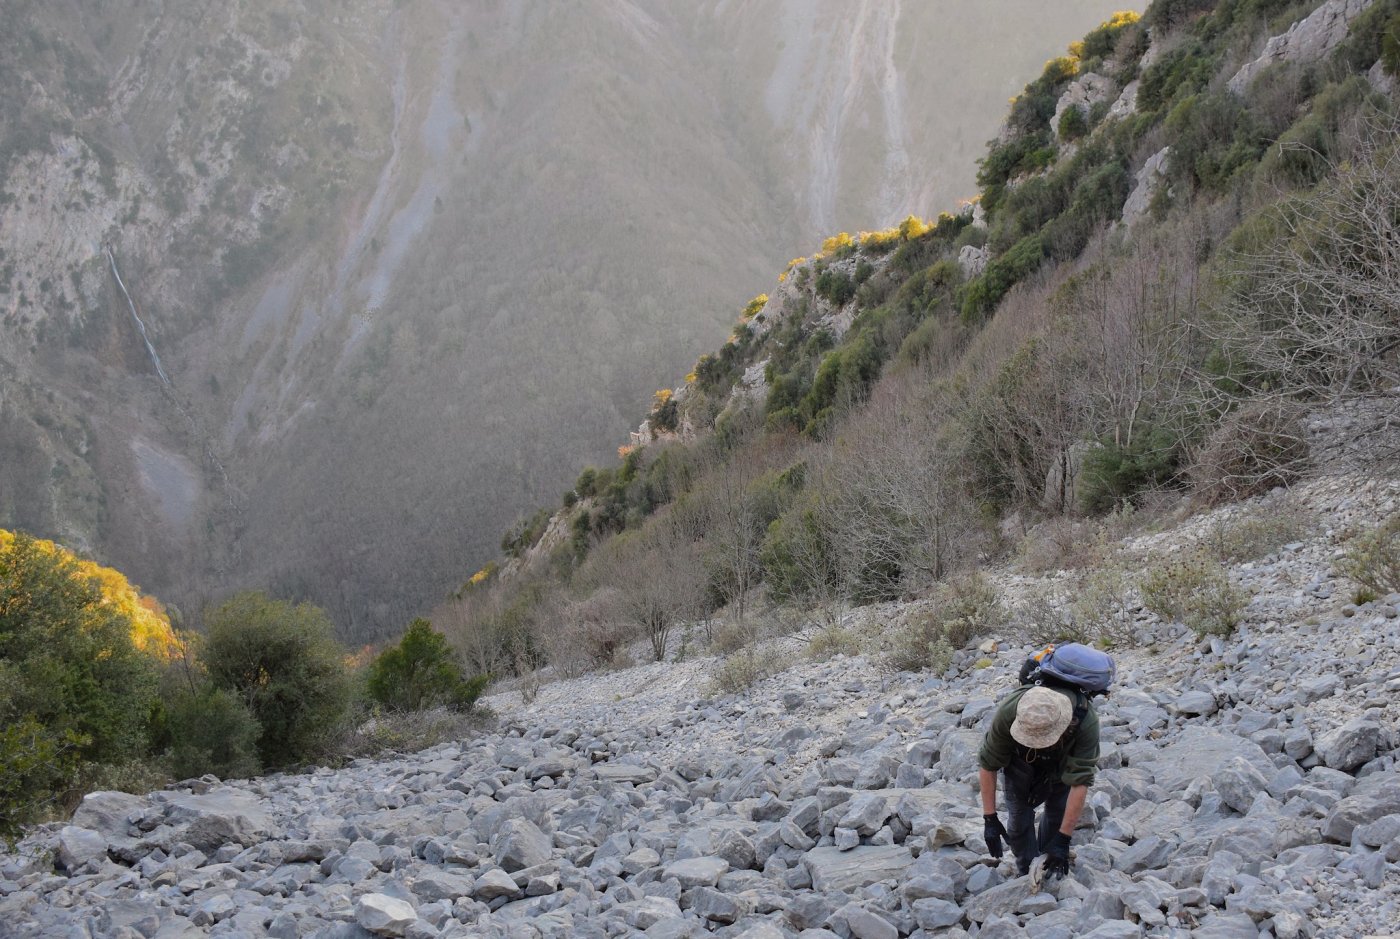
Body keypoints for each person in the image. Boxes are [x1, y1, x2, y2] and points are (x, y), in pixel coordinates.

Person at [977, 682, 1100, 879]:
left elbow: (1080, 781)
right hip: (1019, 759)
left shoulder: (1085, 721)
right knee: (1018, 819)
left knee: (1057, 812)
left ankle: (1050, 861)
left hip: (1062, 759)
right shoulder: (1008, 713)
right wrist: (989, 818)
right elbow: (987, 764)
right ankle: (1027, 871)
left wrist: (1064, 838)